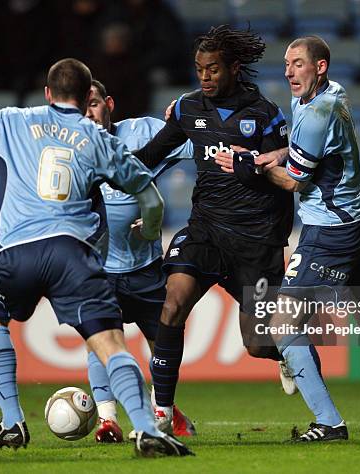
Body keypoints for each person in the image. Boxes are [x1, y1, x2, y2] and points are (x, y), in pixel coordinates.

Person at [0, 58, 193, 457]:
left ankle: (11, 421)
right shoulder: (97, 140)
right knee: (111, 342)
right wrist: (148, 230)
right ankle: (146, 429)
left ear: (47, 93)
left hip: (12, 254)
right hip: (70, 256)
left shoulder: (10, 120)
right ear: (85, 95)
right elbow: (150, 197)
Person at [215, 35, 360, 441]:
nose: (289, 71)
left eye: (298, 64)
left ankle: (328, 423)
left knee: (282, 323)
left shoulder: (317, 111)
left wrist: (246, 167)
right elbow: (301, 153)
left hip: (330, 234)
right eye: (287, 64)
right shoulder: (328, 96)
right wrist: (264, 156)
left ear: (319, 66)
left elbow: (292, 182)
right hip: (358, 222)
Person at [132, 25, 296, 433]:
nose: (204, 77)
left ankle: (289, 355)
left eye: (213, 70)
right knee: (172, 305)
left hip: (255, 242)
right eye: (200, 70)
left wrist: (256, 170)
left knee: (257, 344)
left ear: (234, 68)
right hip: (206, 231)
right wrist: (102, 172)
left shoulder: (264, 114)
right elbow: (151, 154)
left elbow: (288, 174)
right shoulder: (188, 109)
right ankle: (163, 413)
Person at [84, 79, 196, 442]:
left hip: (146, 267)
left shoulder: (143, 131)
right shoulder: (69, 147)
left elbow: (196, 144)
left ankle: (164, 406)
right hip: (100, 269)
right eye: (82, 106)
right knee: (102, 341)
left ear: (110, 104)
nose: (89, 111)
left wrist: (189, 118)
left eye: (95, 103)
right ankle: (107, 420)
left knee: (162, 343)